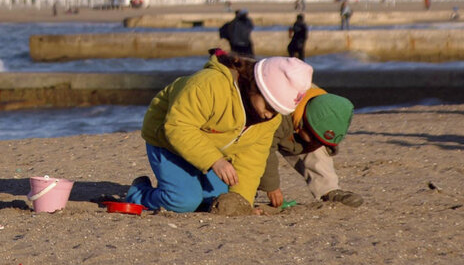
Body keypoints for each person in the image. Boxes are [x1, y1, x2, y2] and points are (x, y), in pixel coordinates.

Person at [124, 51, 313, 214]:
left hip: (212, 152)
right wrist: (215, 161)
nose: (268, 115)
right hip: (167, 141)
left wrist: (242, 204)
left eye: (278, 110)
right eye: (269, 106)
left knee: (218, 201)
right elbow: (178, 127)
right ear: (256, 86)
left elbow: (251, 161)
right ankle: (138, 193)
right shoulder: (208, 85)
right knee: (183, 201)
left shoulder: (271, 120)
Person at [258, 90, 362, 208]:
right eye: (313, 137)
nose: (315, 143)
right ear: (304, 123)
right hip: (255, 130)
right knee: (250, 155)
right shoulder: (277, 114)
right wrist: (272, 188)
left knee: (316, 149)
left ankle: (328, 190)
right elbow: (264, 150)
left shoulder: (324, 106)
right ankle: (243, 193)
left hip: (294, 123)